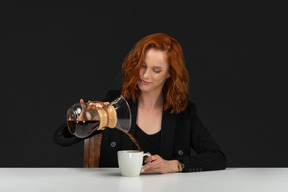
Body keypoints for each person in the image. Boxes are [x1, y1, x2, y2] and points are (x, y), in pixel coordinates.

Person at [54, 33, 226, 173]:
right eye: (142, 66)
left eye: (156, 70)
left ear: (170, 74)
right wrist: (80, 123)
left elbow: (217, 157)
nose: (145, 75)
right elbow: (61, 139)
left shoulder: (183, 112)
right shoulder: (114, 102)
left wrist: (174, 165)